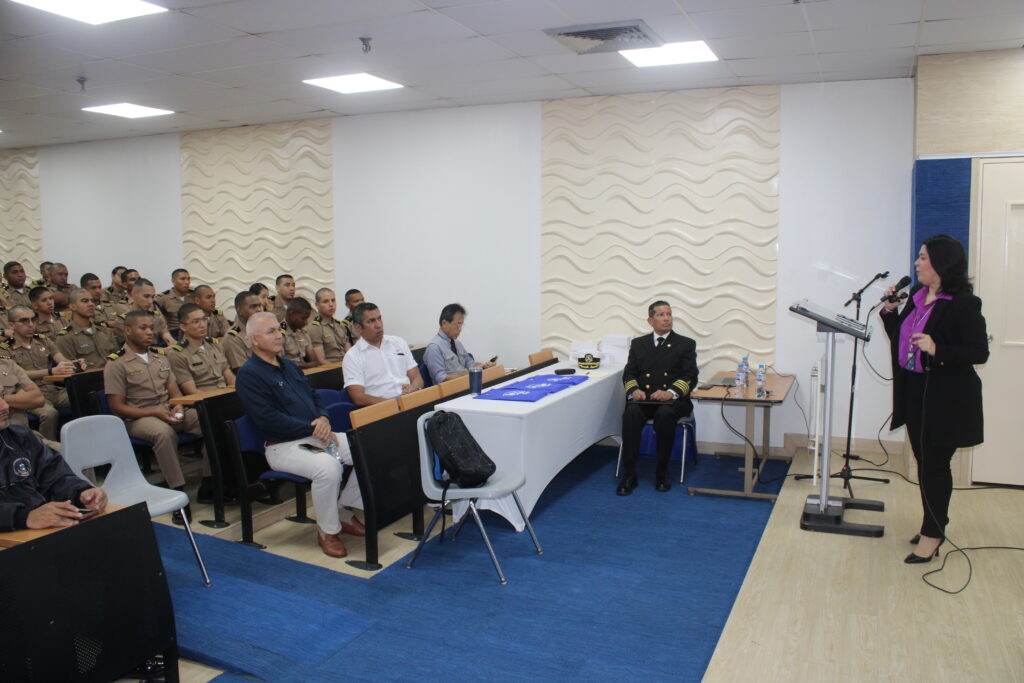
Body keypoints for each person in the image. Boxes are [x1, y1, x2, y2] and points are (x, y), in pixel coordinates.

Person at [881, 234, 988, 564]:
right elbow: (902, 338)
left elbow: (979, 352)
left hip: (946, 397)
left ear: (942, 263)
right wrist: (889, 311)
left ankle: (933, 533)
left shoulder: (964, 304)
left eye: (924, 257)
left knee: (935, 466)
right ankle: (933, 523)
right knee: (924, 462)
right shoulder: (917, 296)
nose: (917, 263)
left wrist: (938, 349)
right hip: (915, 390)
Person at [235, 312, 364, 558]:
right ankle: (328, 532)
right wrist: (313, 428)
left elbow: (314, 397)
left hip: (316, 436)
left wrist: (323, 419)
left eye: (279, 329)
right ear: (254, 340)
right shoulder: (249, 375)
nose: (279, 335)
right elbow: (267, 418)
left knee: (365, 446)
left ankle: (343, 510)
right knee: (327, 467)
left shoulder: (289, 365)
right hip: (284, 446)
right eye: (271, 331)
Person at [103, 311, 209, 518]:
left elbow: (174, 392)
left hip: (167, 410)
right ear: (128, 330)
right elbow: (117, 407)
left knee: (208, 420)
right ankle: (177, 491)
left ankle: (210, 481)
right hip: (139, 417)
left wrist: (178, 407)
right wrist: (154, 412)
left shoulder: (160, 357)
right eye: (143, 328)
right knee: (163, 433)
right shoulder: (116, 363)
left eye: (151, 328)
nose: (150, 332)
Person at [618, 301, 698, 495]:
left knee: (664, 414)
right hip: (645, 399)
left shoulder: (685, 344)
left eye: (669, 314)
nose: (667, 319)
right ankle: (629, 473)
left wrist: (670, 392)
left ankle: (662, 471)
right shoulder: (639, 344)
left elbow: (690, 376)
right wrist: (634, 390)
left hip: (674, 401)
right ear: (650, 320)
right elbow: (629, 373)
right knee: (631, 413)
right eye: (661, 315)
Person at [0, 394, 107, 531]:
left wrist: (81, 493)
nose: (5, 406)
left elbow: (54, 477)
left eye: (2, 396)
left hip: (36, 530)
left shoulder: (21, 438)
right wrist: (23, 517)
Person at [3, 306, 75, 440]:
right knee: (49, 414)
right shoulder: (5, 348)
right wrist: (50, 371)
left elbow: (60, 358)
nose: (30, 324)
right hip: (28, 393)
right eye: (24, 321)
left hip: (53, 389)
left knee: (83, 397)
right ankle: (47, 447)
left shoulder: (43, 340)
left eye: (33, 320)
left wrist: (72, 364)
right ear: (12, 325)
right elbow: (18, 374)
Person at [343, 303, 422, 406]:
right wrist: (395, 404)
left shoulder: (398, 342)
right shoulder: (352, 357)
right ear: (358, 327)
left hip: (410, 400)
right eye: (371, 321)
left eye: (379, 319)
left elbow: (417, 377)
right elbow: (358, 397)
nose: (379, 325)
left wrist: (413, 388)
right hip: (383, 408)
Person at [169, 303, 234, 395]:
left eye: (204, 319)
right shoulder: (178, 354)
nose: (203, 325)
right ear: (183, 327)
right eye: (196, 322)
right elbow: (192, 391)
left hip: (228, 394)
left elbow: (228, 374)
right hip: (205, 399)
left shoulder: (215, 345)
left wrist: (234, 391)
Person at [423, 303, 495, 383]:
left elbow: (470, 363)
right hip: (453, 389)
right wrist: (468, 373)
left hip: (467, 383)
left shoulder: (457, 343)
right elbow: (441, 379)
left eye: (461, 325)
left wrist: (483, 366)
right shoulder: (434, 348)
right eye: (458, 324)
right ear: (444, 323)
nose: (460, 329)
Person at [56, 288, 120, 370]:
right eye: (85, 301)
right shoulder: (65, 337)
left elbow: (117, 357)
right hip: (88, 376)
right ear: (72, 306)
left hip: (112, 373)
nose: (91, 304)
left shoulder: (104, 330)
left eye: (92, 301)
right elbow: (69, 369)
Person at [114, 278, 176, 347]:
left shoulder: (155, 316)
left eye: (152, 297)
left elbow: (166, 334)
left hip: (158, 350)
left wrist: (173, 345)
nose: (150, 301)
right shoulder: (123, 320)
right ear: (134, 294)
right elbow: (132, 348)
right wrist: (164, 351)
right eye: (146, 296)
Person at [308, 288, 350, 364]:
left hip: (346, 365)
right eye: (325, 301)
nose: (331, 304)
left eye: (333, 300)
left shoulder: (340, 325)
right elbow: (320, 360)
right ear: (317, 305)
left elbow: (349, 353)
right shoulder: (315, 327)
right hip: (330, 368)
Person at [222, 291, 261, 373]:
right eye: (253, 307)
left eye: (259, 305)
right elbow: (243, 372)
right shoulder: (233, 338)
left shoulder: (262, 329)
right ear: (239, 310)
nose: (259, 310)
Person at [155, 268, 194, 339]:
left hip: (193, 332)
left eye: (188, 279)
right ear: (173, 281)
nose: (187, 282)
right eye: (182, 279)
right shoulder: (163, 298)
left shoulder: (194, 295)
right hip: (174, 335)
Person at [281, 297, 318, 369]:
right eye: (303, 318)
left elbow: (315, 362)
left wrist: (300, 364)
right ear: (291, 313)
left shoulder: (303, 332)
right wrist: (307, 365)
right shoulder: (279, 334)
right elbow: (281, 364)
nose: (306, 322)